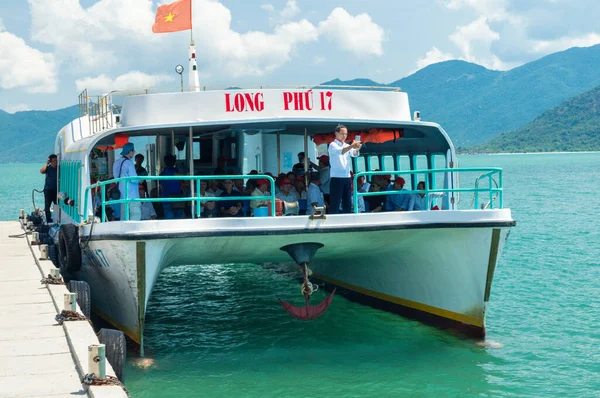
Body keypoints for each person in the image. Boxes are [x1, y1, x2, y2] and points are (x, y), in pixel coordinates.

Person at [328, 124, 361, 214]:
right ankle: (334, 221)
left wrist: (357, 149)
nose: (344, 136)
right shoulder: (332, 145)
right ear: (336, 133)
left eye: (346, 134)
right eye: (342, 133)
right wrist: (352, 146)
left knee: (347, 202)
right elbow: (341, 151)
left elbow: (354, 154)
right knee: (335, 202)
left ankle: (347, 221)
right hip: (336, 177)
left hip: (346, 177)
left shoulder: (346, 145)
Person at [112, 142, 141, 221]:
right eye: (133, 151)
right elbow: (134, 179)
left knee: (124, 216)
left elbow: (116, 178)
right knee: (135, 215)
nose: (134, 152)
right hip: (132, 194)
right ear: (130, 152)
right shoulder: (129, 163)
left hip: (122, 194)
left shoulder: (116, 163)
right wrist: (140, 179)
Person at [160, 154, 185, 219]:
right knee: (179, 220)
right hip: (178, 198)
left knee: (169, 220)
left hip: (166, 199)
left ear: (165, 162)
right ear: (174, 162)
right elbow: (183, 181)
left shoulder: (162, 174)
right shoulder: (177, 172)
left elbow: (160, 186)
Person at [40, 154, 58, 222]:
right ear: (50, 161)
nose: (55, 162)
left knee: (57, 204)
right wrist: (47, 163)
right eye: (54, 161)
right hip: (48, 190)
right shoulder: (48, 168)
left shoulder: (58, 168)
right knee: (47, 206)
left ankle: (57, 218)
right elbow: (41, 171)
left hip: (56, 190)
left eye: (56, 160)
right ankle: (48, 220)